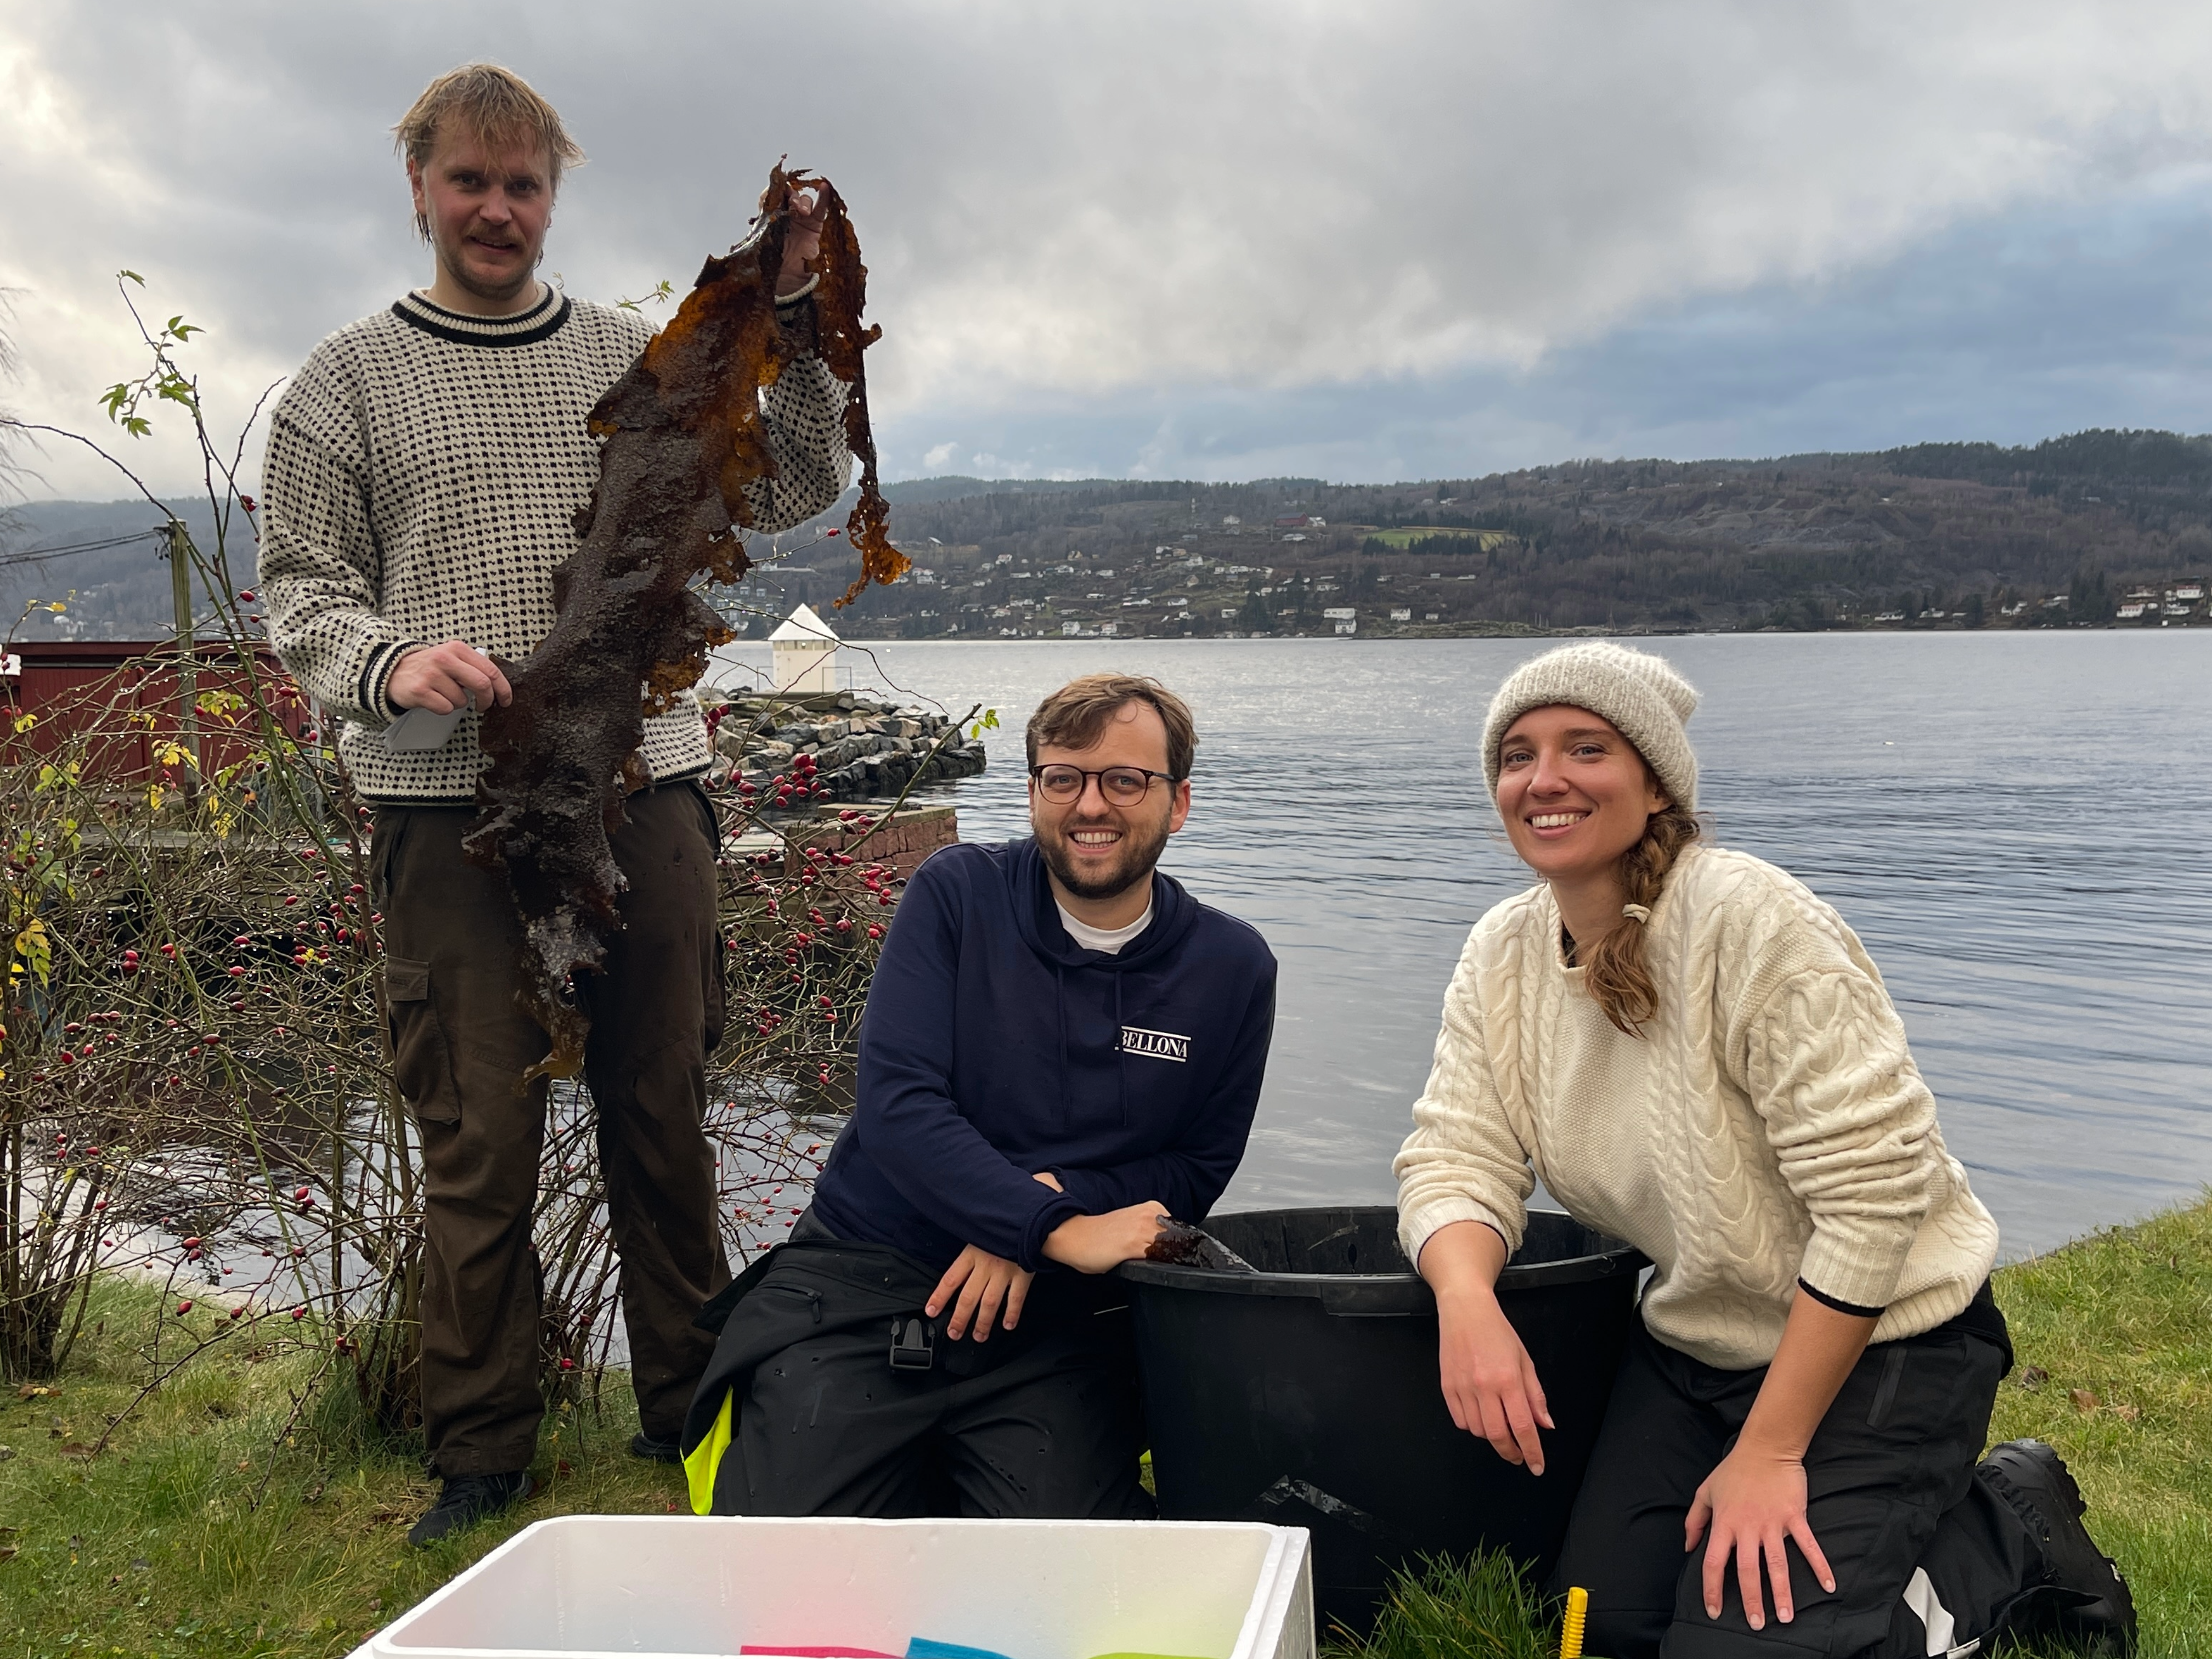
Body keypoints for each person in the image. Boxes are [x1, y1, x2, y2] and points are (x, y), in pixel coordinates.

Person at [256, 63, 853, 1545]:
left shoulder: (626, 357)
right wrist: (393, 662)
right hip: (440, 806)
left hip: (645, 784)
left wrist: (791, 320)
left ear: (552, 197)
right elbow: (301, 592)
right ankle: (481, 1458)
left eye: (524, 185)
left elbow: (789, 491)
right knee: (476, 1141)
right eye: (471, 180)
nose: (498, 209)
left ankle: (690, 1423)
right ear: (420, 189)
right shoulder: (344, 383)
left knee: (662, 1113)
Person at [1394, 642, 2133, 1659]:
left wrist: (1773, 1449)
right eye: (1517, 755)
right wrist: (1466, 1301)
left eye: (1586, 748)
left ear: (1655, 783)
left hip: (1889, 1344)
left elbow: (1876, 1203)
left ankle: (2008, 1532)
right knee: (1591, 1634)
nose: (1544, 779)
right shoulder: (1500, 953)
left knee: (1746, 1648)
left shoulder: (1755, 924)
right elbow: (1457, 1155)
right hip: (1698, 1345)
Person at [680, 673, 1278, 1519]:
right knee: (790, 1559)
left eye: (1125, 780)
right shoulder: (957, 895)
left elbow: (1197, 1164)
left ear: (1177, 802)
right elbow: (900, 1106)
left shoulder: (1232, 967)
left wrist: (1040, 1223)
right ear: (1034, 791)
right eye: (1062, 777)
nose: (1090, 805)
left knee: (1065, 1577)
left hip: (1056, 1313)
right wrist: (1044, 1226)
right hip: (867, 1274)